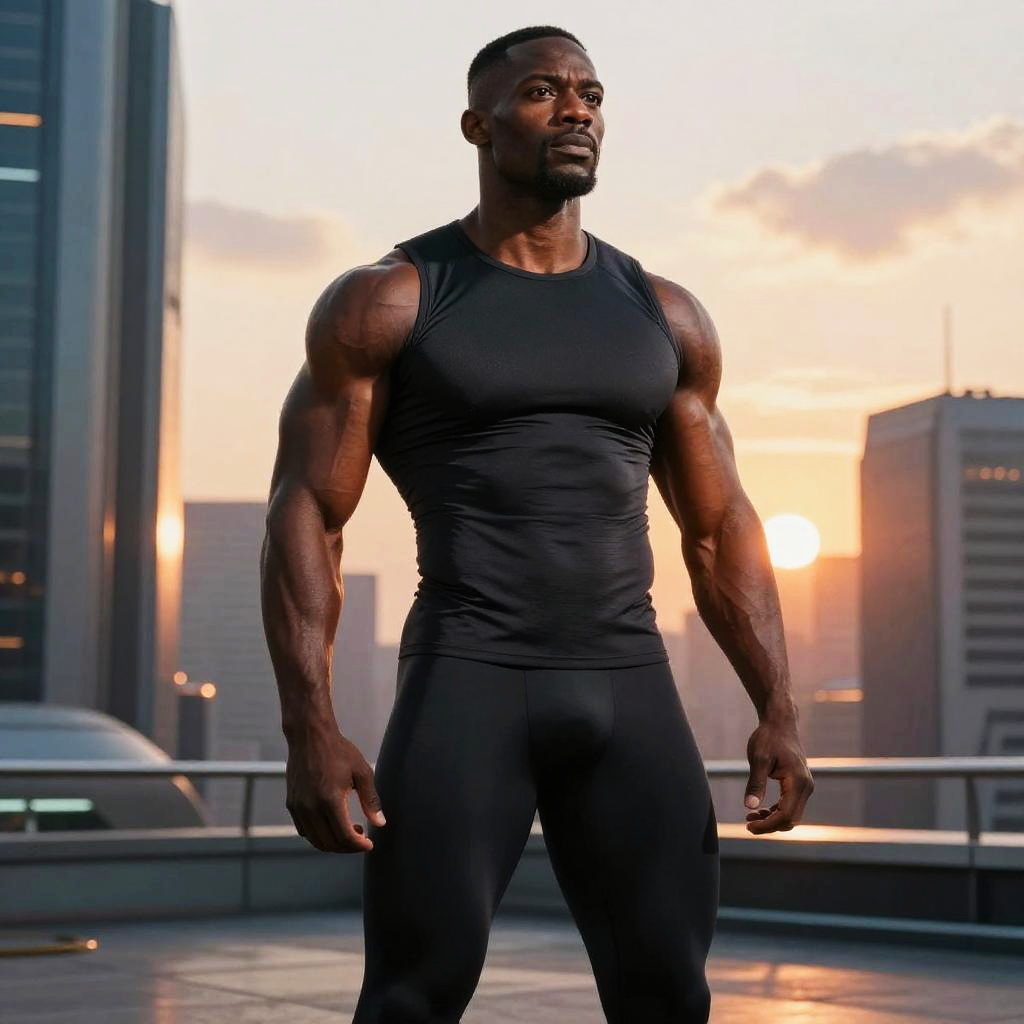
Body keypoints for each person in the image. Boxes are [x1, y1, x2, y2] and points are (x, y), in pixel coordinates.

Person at [260, 23, 815, 1024]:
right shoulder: (389, 299)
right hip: (469, 681)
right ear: (477, 125)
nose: (577, 112)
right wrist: (311, 724)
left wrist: (776, 702)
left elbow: (718, 524)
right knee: (411, 997)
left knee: (667, 995)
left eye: (592, 96)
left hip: (631, 688)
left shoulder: (665, 312)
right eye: (543, 93)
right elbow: (307, 510)